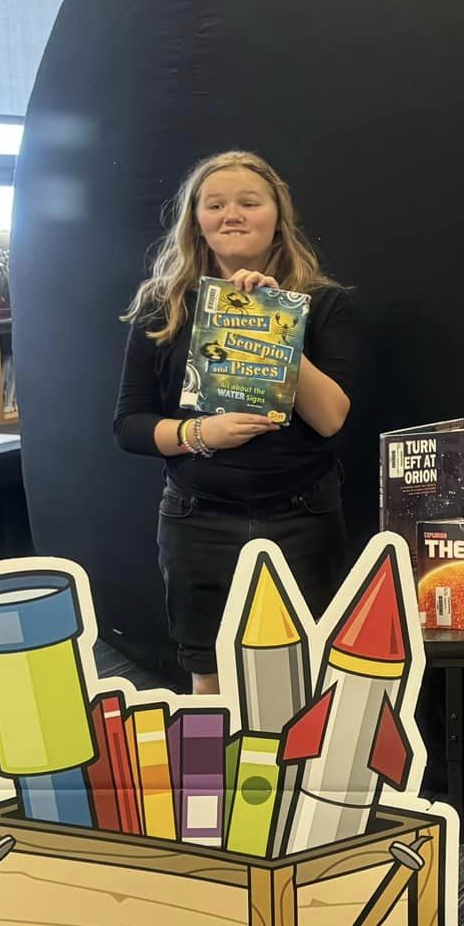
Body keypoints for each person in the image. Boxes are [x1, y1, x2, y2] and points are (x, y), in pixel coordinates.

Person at [113, 151, 359, 694]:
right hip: (198, 519)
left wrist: (272, 321)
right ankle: (218, 783)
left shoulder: (320, 303)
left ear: (277, 215)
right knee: (210, 675)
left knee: (307, 675)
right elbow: (128, 425)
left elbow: (331, 419)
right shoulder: (163, 305)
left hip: (302, 515)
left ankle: (297, 782)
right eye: (215, 204)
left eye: (249, 202)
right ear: (195, 219)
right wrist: (198, 435)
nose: (232, 214)